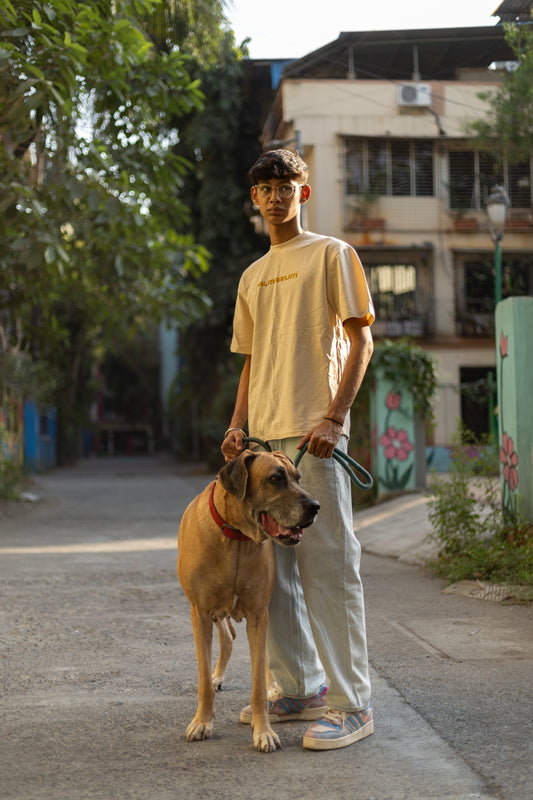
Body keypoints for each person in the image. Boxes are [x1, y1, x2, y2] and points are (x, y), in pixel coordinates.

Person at [221, 148, 375, 751]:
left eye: (286, 185)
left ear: (303, 193)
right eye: (265, 187)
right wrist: (238, 427)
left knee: (328, 568)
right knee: (271, 575)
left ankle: (351, 703)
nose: (276, 196)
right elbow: (252, 363)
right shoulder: (252, 276)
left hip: (314, 438)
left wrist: (335, 419)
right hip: (263, 447)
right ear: (254, 199)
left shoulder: (333, 254)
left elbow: (361, 341)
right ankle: (300, 688)